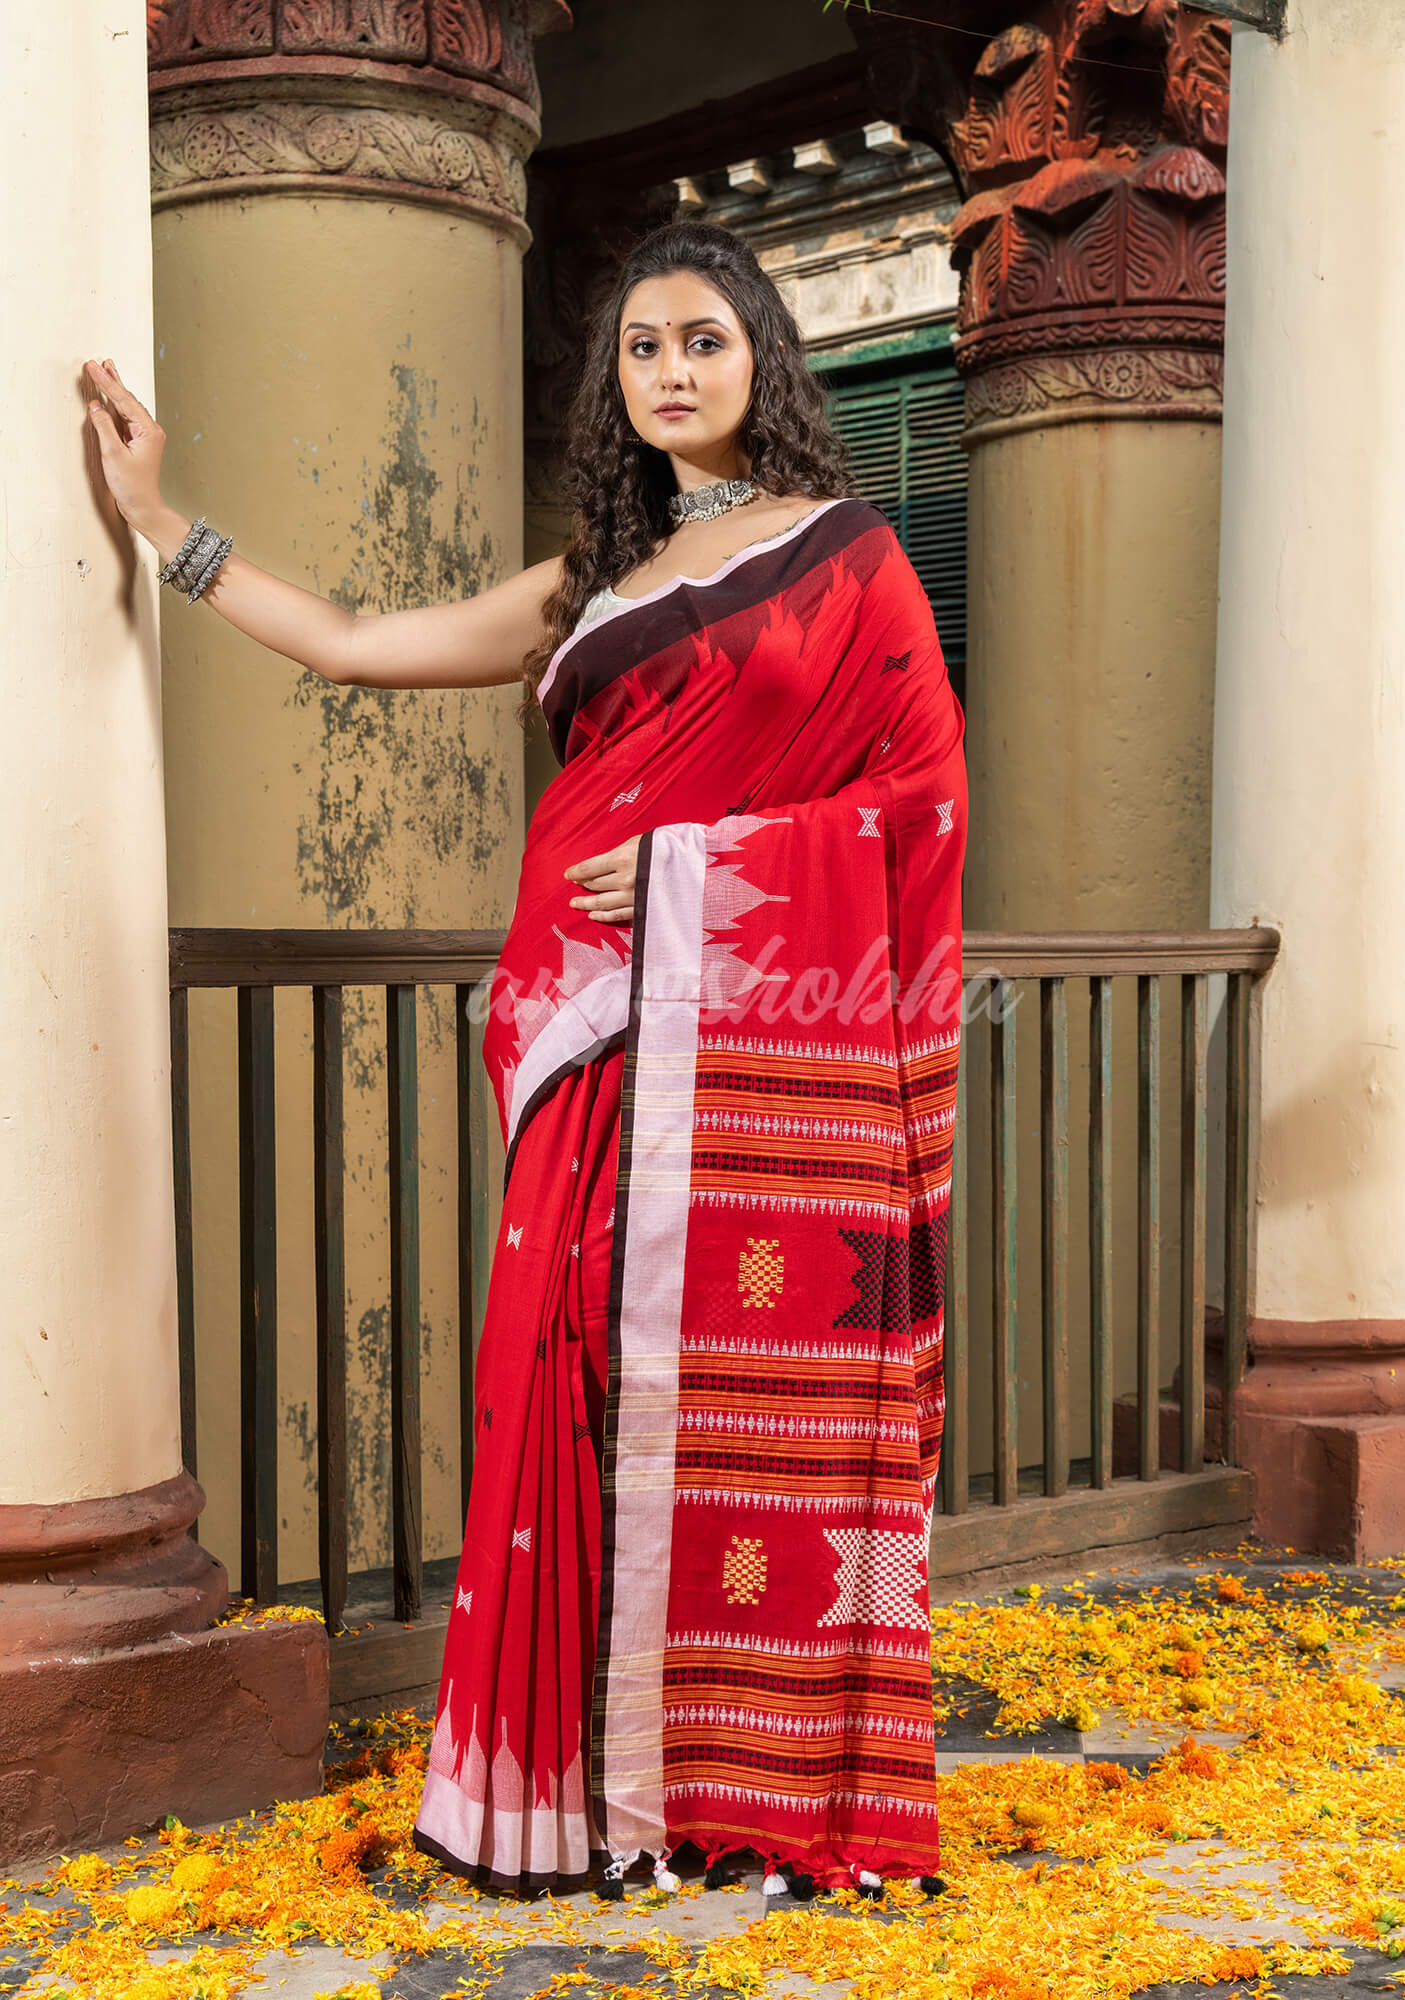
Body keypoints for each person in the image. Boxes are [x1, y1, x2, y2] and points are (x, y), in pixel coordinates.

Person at [85, 218, 967, 1902]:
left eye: (703, 339)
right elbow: (354, 642)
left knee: (727, 1393)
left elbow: (923, 804)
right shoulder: (588, 589)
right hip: (578, 1024)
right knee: (562, 1379)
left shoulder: (849, 560)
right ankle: (564, 1792)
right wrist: (159, 529)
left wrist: (711, 868)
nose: (672, 372)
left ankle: (733, 1781)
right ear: (611, 386)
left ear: (763, 356)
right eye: (641, 349)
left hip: (744, 1024)